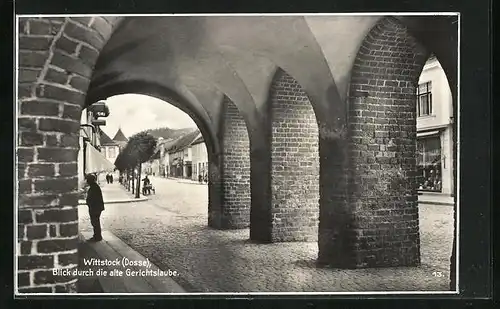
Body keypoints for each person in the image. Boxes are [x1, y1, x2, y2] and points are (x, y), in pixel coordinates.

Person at [85, 174, 104, 242]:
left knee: (95, 222)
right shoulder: (94, 186)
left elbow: (93, 198)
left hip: (95, 208)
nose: (87, 181)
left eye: (87, 180)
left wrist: (88, 201)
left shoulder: (94, 187)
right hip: (96, 207)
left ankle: (97, 236)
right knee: (95, 222)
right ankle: (97, 235)